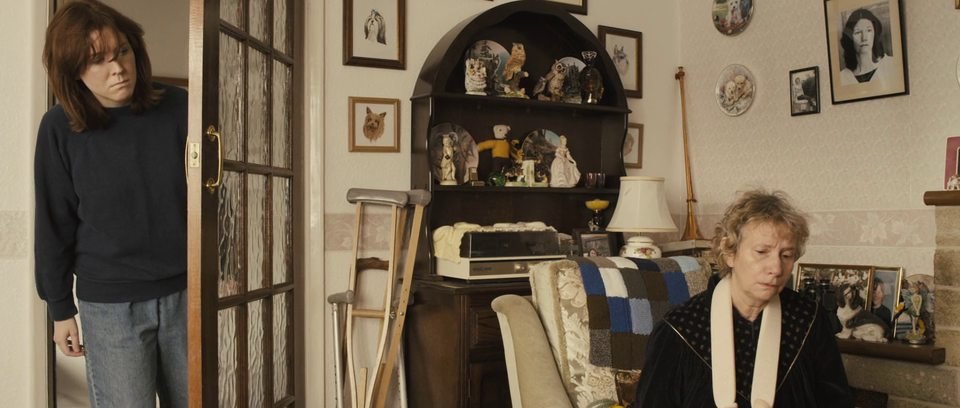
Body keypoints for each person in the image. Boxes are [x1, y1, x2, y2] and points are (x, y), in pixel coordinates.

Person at [35, 1, 188, 406]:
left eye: (122, 51)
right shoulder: (58, 127)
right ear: (73, 71)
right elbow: (53, 223)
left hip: (186, 292)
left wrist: (225, 267)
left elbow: (215, 192)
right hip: (110, 307)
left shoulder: (180, 107)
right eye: (97, 60)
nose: (118, 68)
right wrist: (60, 309)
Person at [635, 190, 853, 407]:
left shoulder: (809, 319)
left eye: (786, 255)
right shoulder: (679, 329)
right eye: (761, 252)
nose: (776, 268)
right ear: (729, 252)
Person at [839, 8, 893, 85]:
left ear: (875, 34)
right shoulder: (842, 78)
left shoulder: (891, 65)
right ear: (849, 38)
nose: (864, 38)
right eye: (858, 32)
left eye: (868, 30)